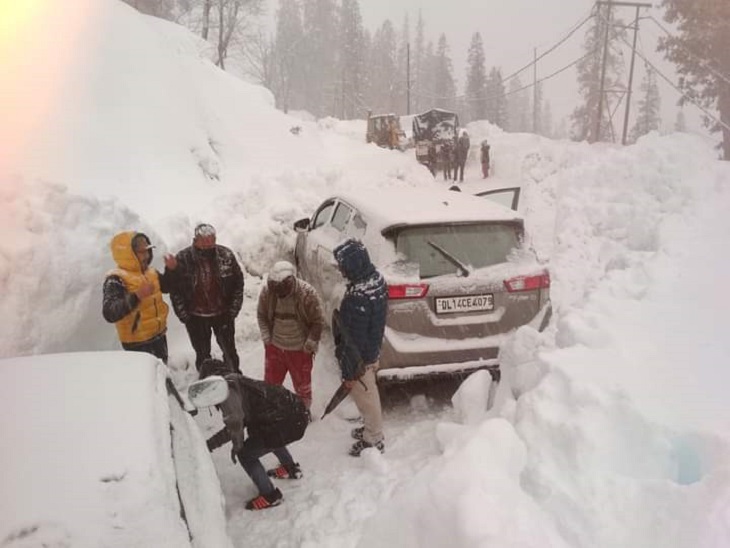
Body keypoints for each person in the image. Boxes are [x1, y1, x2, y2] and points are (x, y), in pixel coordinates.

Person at [201, 358, 308, 511]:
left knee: (246, 454)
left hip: (287, 423)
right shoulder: (236, 381)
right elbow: (238, 423)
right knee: (265, 432)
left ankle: (270, 495)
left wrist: (236, 446)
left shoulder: (227, 393)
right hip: (296, 412)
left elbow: (235, 424)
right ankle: (290, 468)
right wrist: (211, 444)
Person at [332, 239, 388, 457]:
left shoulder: (358, 298)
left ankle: (373, 439)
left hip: (360, 360)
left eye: (343, 266)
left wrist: (350, 372)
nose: (341, 271)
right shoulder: (376, 281)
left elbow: (352, 340)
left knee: (367, 397)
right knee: (368, 396)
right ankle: (370, 429)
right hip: (372, 350)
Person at [170, 223, 244, 373]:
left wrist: (233, 310)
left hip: (223, 314)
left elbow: (238, 283)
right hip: (196, 317)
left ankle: (236, 380)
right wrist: (184, 315)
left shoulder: (226, 255)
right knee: (203, 355)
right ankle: (208, 383)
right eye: (204, 240)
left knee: (230, 352)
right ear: (195, 240)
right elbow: (175, 289)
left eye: (211, 239)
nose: (208, 243)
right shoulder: (183, 259)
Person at [257, 261, 325, 412]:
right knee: (270, 385)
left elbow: (318, 321)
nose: (279, 295)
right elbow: (261, 315)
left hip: (300, 349)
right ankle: (271, 410)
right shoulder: (267, 292)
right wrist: (267, 338)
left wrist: (310, 343)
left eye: (282, 292)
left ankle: (303, 411)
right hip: (274, 347)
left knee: (302, 387)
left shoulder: (308, 294)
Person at [102, 231, 177, 363]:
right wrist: (137, 296)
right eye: (141, 252)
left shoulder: (151, 272)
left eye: (147, 251)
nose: (146, 256)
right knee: (148, 378)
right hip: (137, 342)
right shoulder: (116, 278)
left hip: (158, 335)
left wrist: (171, 270)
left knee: (162, 370)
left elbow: (167, 287)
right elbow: (110, 312)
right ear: (127, 254)